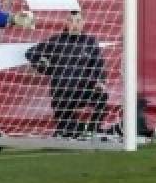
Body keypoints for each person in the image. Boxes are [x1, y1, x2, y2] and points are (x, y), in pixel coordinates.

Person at [25, 10, 109, 138]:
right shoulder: (56, 41)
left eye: (78, 21)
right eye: (71, 21)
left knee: (102, 95)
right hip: (61, 93)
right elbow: (30, 53)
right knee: (67, 133)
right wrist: (45, 67)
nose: (74, 24)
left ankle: (94, 128)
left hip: (83, 90)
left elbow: (98, 65)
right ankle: (74, 128)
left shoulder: (90, 42)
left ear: (83, 23)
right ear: (66, 23)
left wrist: (100, 81)